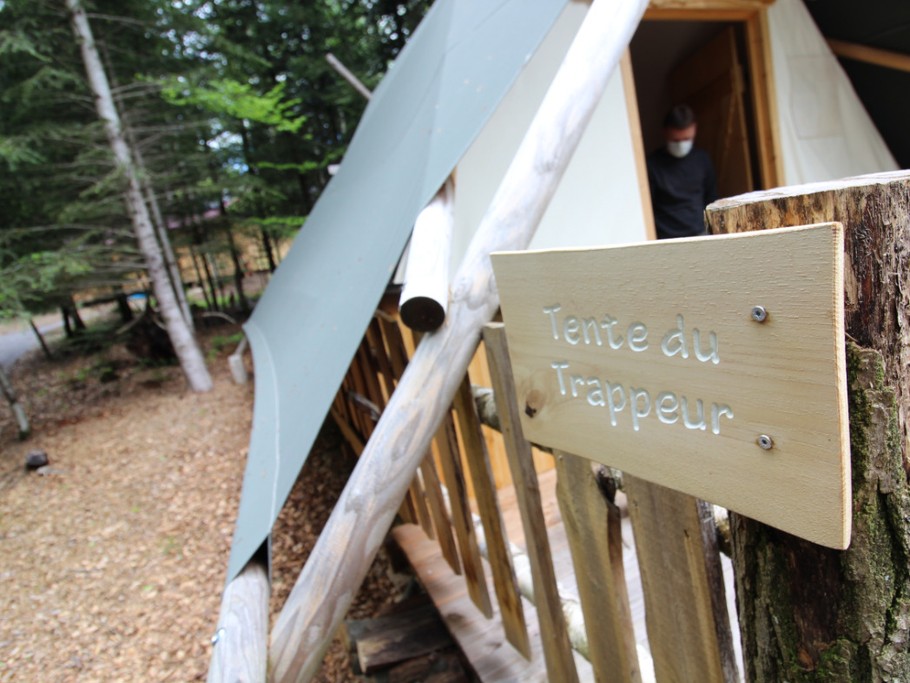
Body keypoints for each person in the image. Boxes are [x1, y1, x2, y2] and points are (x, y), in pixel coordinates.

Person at [646, 104, 717, 240]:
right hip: (667, 238)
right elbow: (648, 207)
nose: (681, 145)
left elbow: (711, 198)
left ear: (694, 130)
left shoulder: (702, 160)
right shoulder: (653, 165)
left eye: (686, 139)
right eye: (676, 140)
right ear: (666, 133)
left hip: (700, 234)